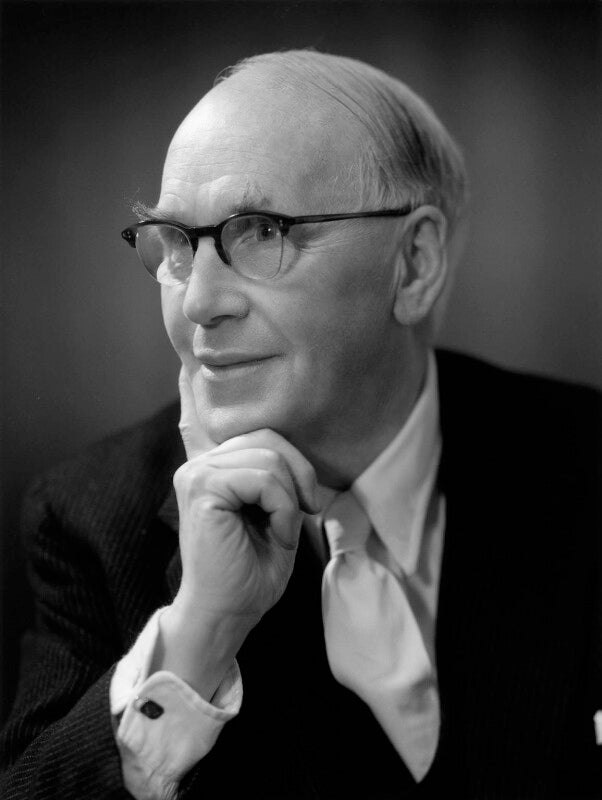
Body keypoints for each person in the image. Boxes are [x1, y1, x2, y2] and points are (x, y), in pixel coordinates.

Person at [1, 49, 601, 800]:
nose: (199, 304)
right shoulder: (90, 520)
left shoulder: (586, 462)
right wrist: (200, 634)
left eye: (260, 232)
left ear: (414, 264)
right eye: (178, 243)